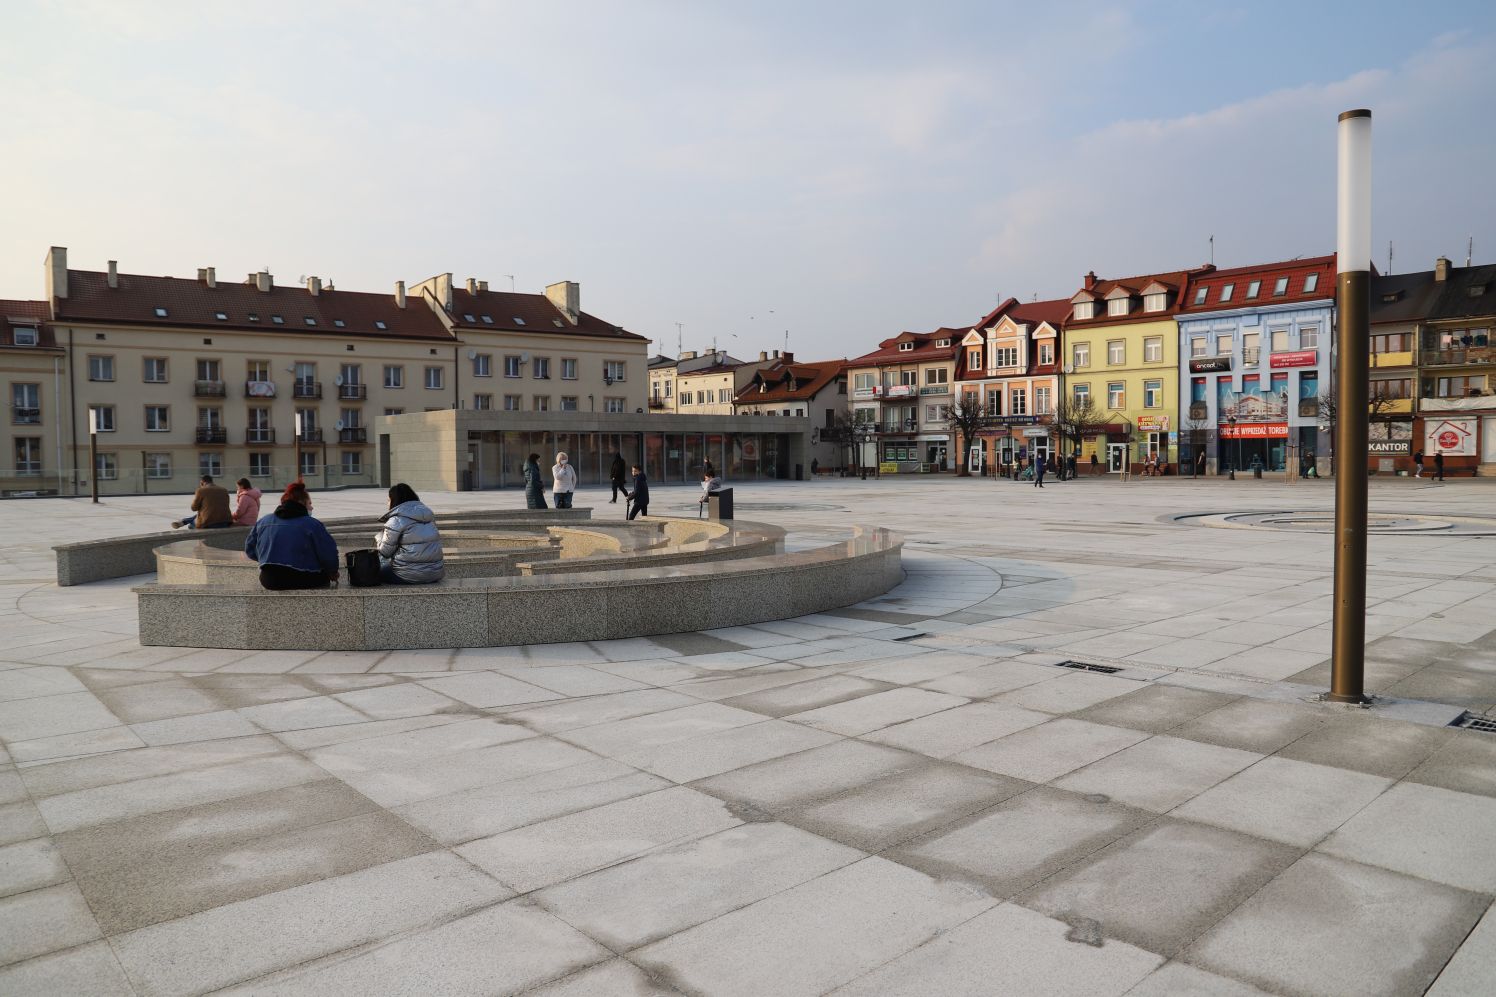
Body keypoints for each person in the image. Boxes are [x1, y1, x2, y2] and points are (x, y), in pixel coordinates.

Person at [244, 482, 339, 590]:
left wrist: (267, 559)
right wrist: (332, 572)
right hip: (304, 578)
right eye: (309, 503)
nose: (311, 507)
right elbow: (328, 553)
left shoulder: (263, 521)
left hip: (269, 580)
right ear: (301, 503)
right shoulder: (312, 524)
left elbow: (250, 549)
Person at [374, 483, 444, 584]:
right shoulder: (428, 515)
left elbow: (385, 552)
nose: (387, 503)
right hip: (436, 573)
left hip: (407, 575)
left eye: (388, 500)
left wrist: (379, 537)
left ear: (395, 500)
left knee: (372, 571)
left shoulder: (396, 520)